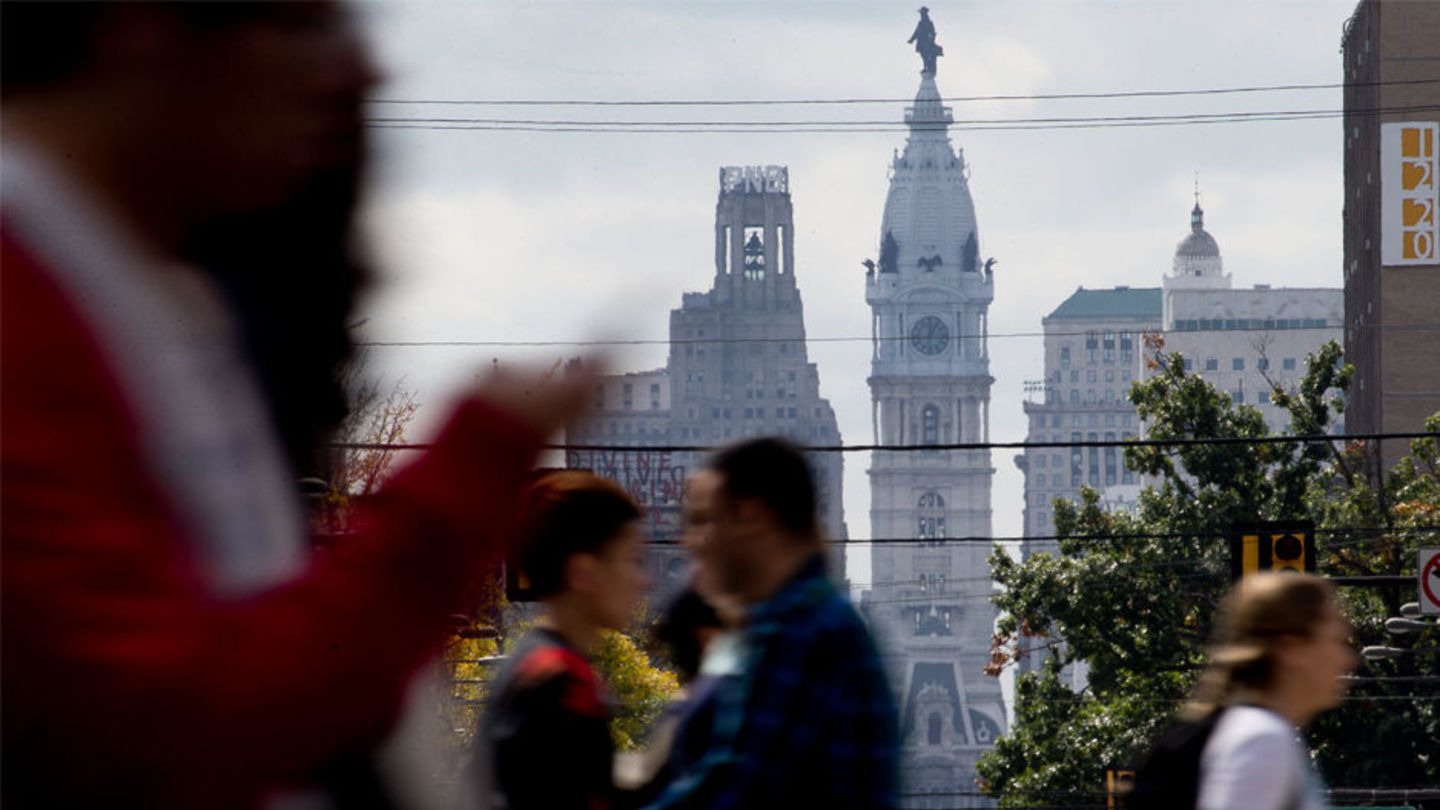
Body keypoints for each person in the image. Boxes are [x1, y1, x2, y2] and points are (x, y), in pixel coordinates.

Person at [1, 3, 593, 807]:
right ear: (139, 28)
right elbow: (171, 723)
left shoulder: (127, 296)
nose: (356, 71)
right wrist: (469, 474)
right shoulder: (31, 313)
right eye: (301, 23)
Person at [644, 438, 899, 810]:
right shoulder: (792, 622)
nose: (690, 542)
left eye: (704, 520)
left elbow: (733, 790)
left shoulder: (804, 631)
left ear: (751, 516)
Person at [461, 471, 650, 810]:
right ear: (584, 574)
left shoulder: (534, 664)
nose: (643, 581)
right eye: (632, 560)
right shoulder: (563, 684)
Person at [1129, 573, 1357, 810]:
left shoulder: (1261, 732)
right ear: (1292, 648)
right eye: (1336, 640)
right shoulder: (1263, 739)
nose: (1348, 659)